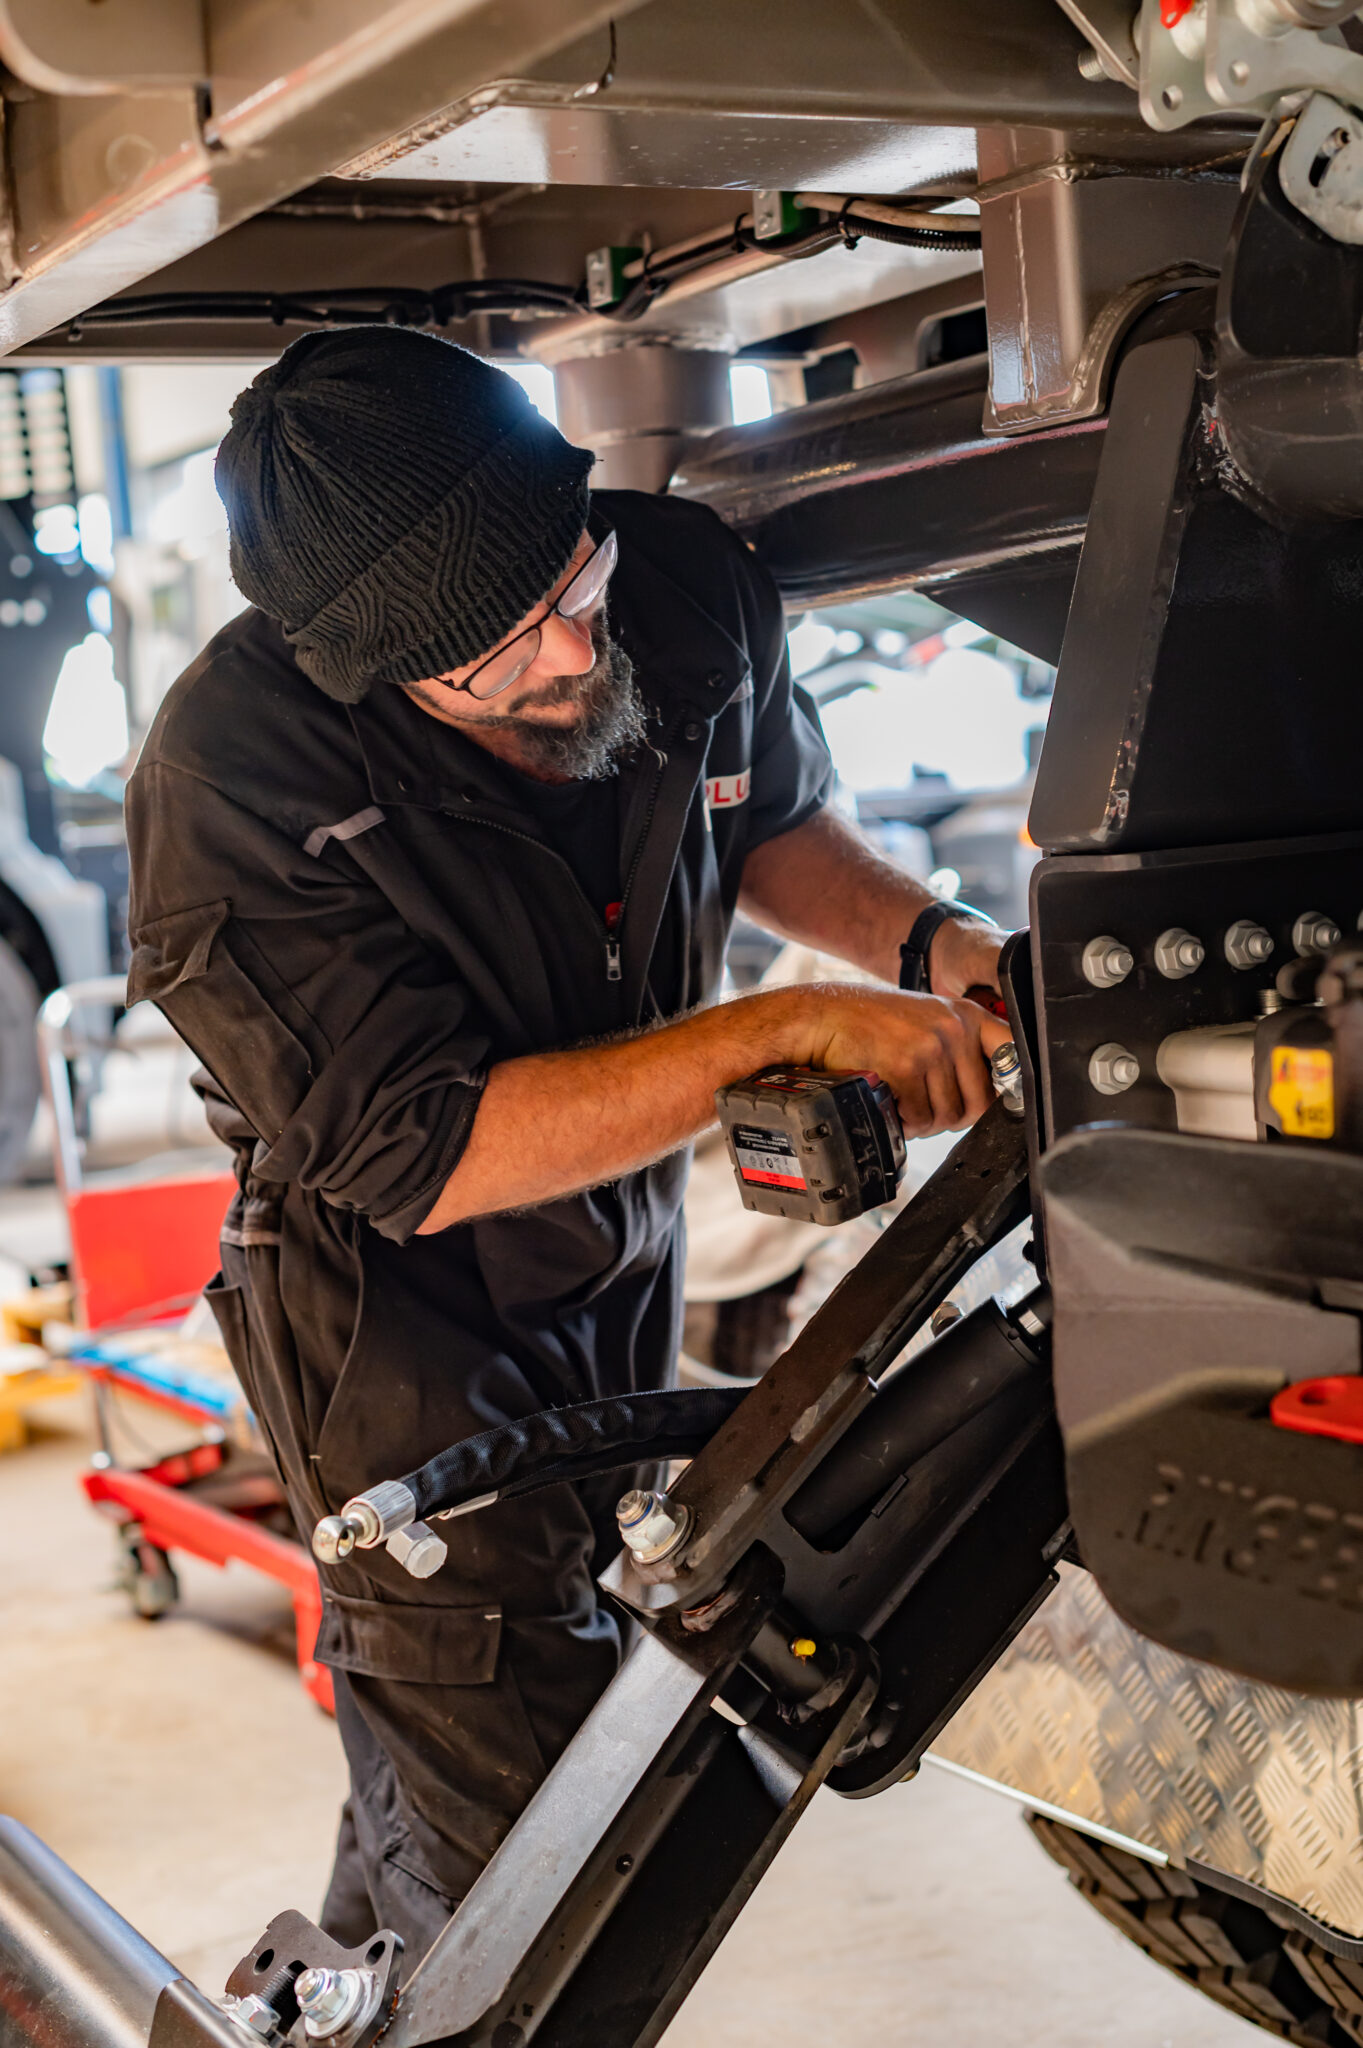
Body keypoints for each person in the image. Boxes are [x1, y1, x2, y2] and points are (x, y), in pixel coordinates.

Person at [123, 326, 1011, 1962]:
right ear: (373, 668)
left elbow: (770, 822)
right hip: (392, 1312)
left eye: (568, 580)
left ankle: (363, 1983)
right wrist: (770, 1033)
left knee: (514, 1731)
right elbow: (425, 1152)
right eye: (496, 648)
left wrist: (938, 947)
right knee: (543, 1861)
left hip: (618, 1252)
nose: (564, 649)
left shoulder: (670, 585)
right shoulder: (232, 786)